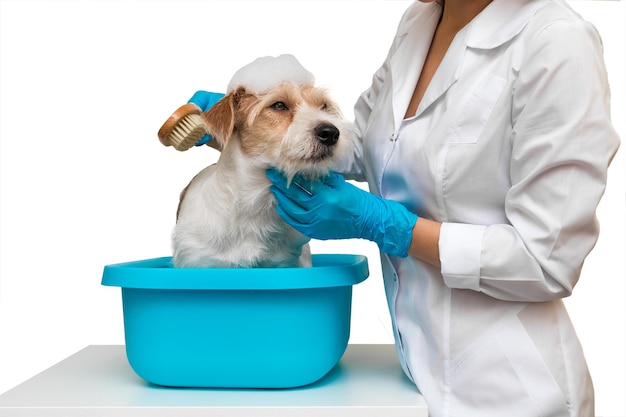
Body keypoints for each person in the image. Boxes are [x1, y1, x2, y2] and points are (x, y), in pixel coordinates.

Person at [188, 0, 620, 415]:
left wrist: (390, 225)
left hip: (510, 388)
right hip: (414, 374)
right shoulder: (420, 21)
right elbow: (367, 147)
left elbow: (547, 260)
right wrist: (248, 133)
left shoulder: (557, 43)